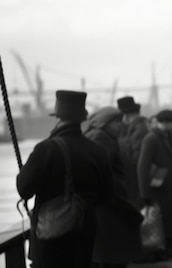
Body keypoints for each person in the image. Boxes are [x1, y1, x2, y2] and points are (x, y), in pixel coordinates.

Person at [17, 90, 114, 268]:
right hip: (84, 234)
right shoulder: (97, 151)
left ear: (58, 117)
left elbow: (24, 189)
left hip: (51, 236)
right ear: (82, 117)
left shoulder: (46, 149)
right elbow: (107, 194)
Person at [84, 107, 143, 267]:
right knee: (111, 252)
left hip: (110, 203)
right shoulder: (100, 138)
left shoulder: (101, 137)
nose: (120, 125)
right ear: (104, 123)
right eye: (116, 122)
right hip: (110, 205)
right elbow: (100, 170)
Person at [137, 110, 172, 257]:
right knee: (164, 217)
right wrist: (145, 193)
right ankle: (167, 245)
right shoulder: (151, 139)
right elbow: (143, 166)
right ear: (165, 123)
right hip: (159, 187)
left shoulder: (169, 137)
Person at [117, 96, 149, 208]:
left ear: (125, 116)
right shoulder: (139, 127)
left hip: (135, 180)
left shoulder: (138, 130)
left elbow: (137, 159)